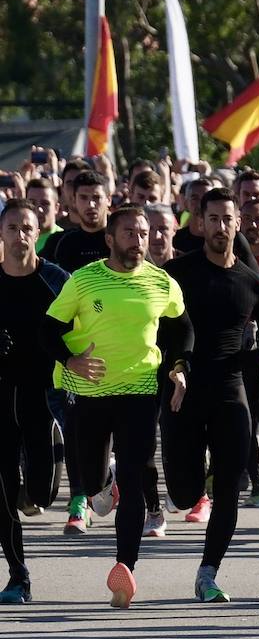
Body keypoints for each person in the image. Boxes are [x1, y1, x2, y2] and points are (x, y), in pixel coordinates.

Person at [42, 205, 191, 608]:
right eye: (128, 232)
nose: (138, 239)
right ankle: (100, 483)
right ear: (110, 239)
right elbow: (49, 329)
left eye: (142, 232)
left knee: (134, 470)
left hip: (140, 392)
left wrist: (179, 366)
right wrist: (69, 359)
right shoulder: (83, 281)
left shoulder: (162, 283)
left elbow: (182, 328)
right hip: (87, 393)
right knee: (92, 481)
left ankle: (125, 568)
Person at [161, 189, 259, 603]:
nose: (221, 227)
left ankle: (208, 572)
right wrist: (170, 372)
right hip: (181, 392)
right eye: (213, 219)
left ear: (238, 223)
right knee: (185, 493)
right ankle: (191, 483)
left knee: (228, 487)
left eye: (228, 219)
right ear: (200, 223)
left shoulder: (253, 284)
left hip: (230, 392)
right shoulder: (176, 273)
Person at [0, 199, 69, 603]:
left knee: (40, 496)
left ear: (38, 230)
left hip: (46, 394)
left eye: (28, 227)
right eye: (13, 228)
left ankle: (47, 465)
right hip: (2, 394)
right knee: (4, 490)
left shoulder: (56, 279)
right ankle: (18, 573)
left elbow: (82, 324)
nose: (21, 235)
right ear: (2, 233)